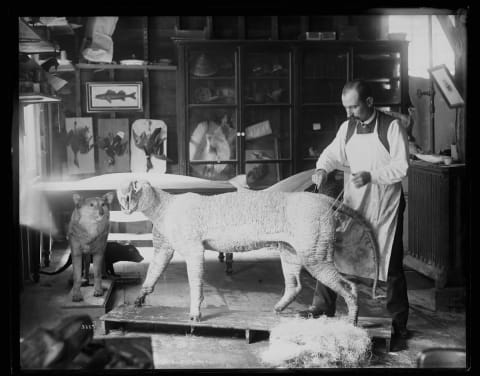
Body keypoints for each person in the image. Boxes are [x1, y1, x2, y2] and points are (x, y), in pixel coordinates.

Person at [299, 79, 411, 340]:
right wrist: (321, 169)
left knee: (390, 265)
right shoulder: (347, 127)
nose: (348, 113)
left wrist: (371, 176)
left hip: (385, 205)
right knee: (335, 252)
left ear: (369, 102)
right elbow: (331, 155)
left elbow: (402, 167)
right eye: (346, 108)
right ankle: (322, 308)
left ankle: (398, 323)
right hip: (355, 203)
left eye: (353, 107)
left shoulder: (391, 127)